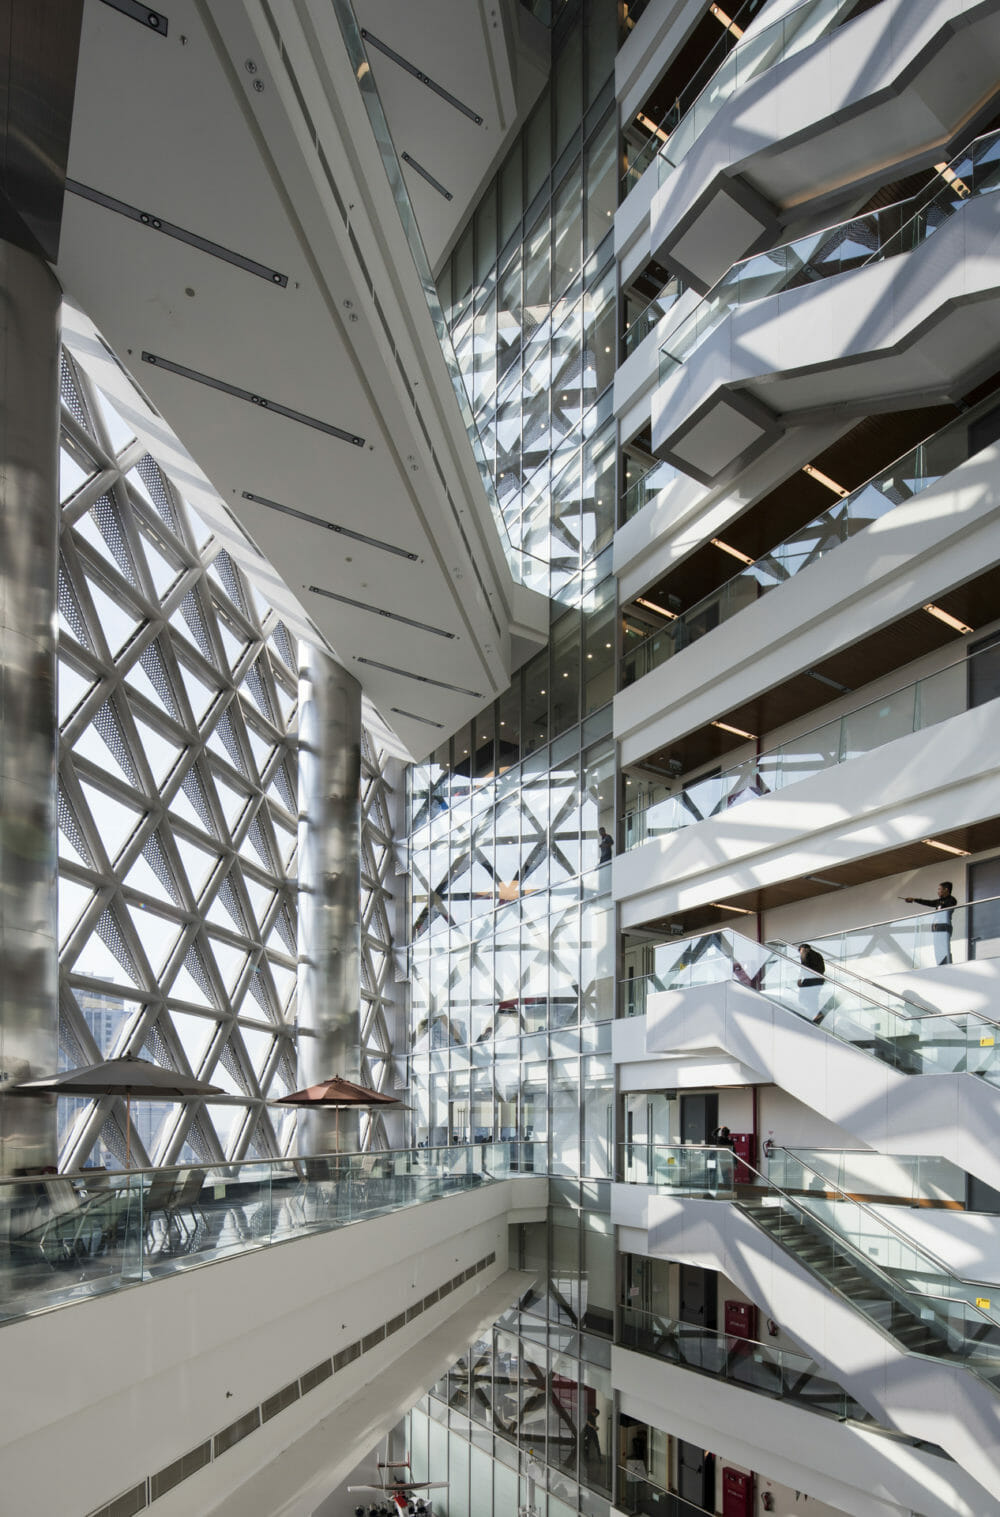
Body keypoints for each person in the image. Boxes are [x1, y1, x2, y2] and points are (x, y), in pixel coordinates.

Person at [904, 881, 958, 965]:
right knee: (937, 948)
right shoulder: (939, 901)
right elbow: (928, 902)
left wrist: (939, 917)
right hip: (937, 928)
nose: (938, 891)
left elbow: (947, 909)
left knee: (944, 947)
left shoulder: (951, 900)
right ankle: (940, 964)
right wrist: (914, 900)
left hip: (944, 926)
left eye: (939, 889)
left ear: (946, 890)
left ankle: (947, 964)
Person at [797, 944, 825, 1022]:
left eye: (800, 951)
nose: (800, 953)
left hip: (810, 979)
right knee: (813, 997)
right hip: (820, 979)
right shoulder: (818, 955)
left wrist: (799, 979)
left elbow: (804, 966)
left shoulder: (805, 953)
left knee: (802, 998)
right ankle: (817, 1014)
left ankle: (815, 1013)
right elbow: (823, 969)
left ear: (803, 949)